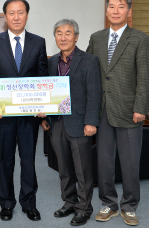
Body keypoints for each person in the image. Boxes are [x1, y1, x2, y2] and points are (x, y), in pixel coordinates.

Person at [86, 0, 149, 226]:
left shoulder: (140, 39)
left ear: (129, 11)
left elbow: (144, 76)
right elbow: (89, 73)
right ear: (106, 11)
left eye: (121, 6)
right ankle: (108, 203)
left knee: (130, 161)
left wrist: (140, 106)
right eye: (112, 6)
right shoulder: (96, 37)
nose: (116, 11)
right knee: (104, 161)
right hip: (102, 110)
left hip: (129, 110)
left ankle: (130, 205)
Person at [0, 0, 48, 221]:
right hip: (5, 115)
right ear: (5, 17)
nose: (16, 17)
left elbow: (42, 77)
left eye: (21, 12)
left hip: (30, 115)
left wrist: (43, 106)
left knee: (28, 160)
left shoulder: (38, 42)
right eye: (11, 13)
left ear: (27, 15)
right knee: (6, 160)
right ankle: (6, 203)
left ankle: (29, 203)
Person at [40, 19, 101, 226]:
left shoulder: (90, 60)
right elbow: (47, 92)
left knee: (83, 170)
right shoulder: (51, 61)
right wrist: (45, 118)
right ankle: (69, 202)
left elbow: (94, 94)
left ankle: (84, 208)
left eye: (68, 33)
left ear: (76, 36)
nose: (63, 37)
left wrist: (91, 122)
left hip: (80, 123)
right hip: (57, 123)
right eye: (59, 33)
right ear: (55, 37)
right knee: (63, 167)